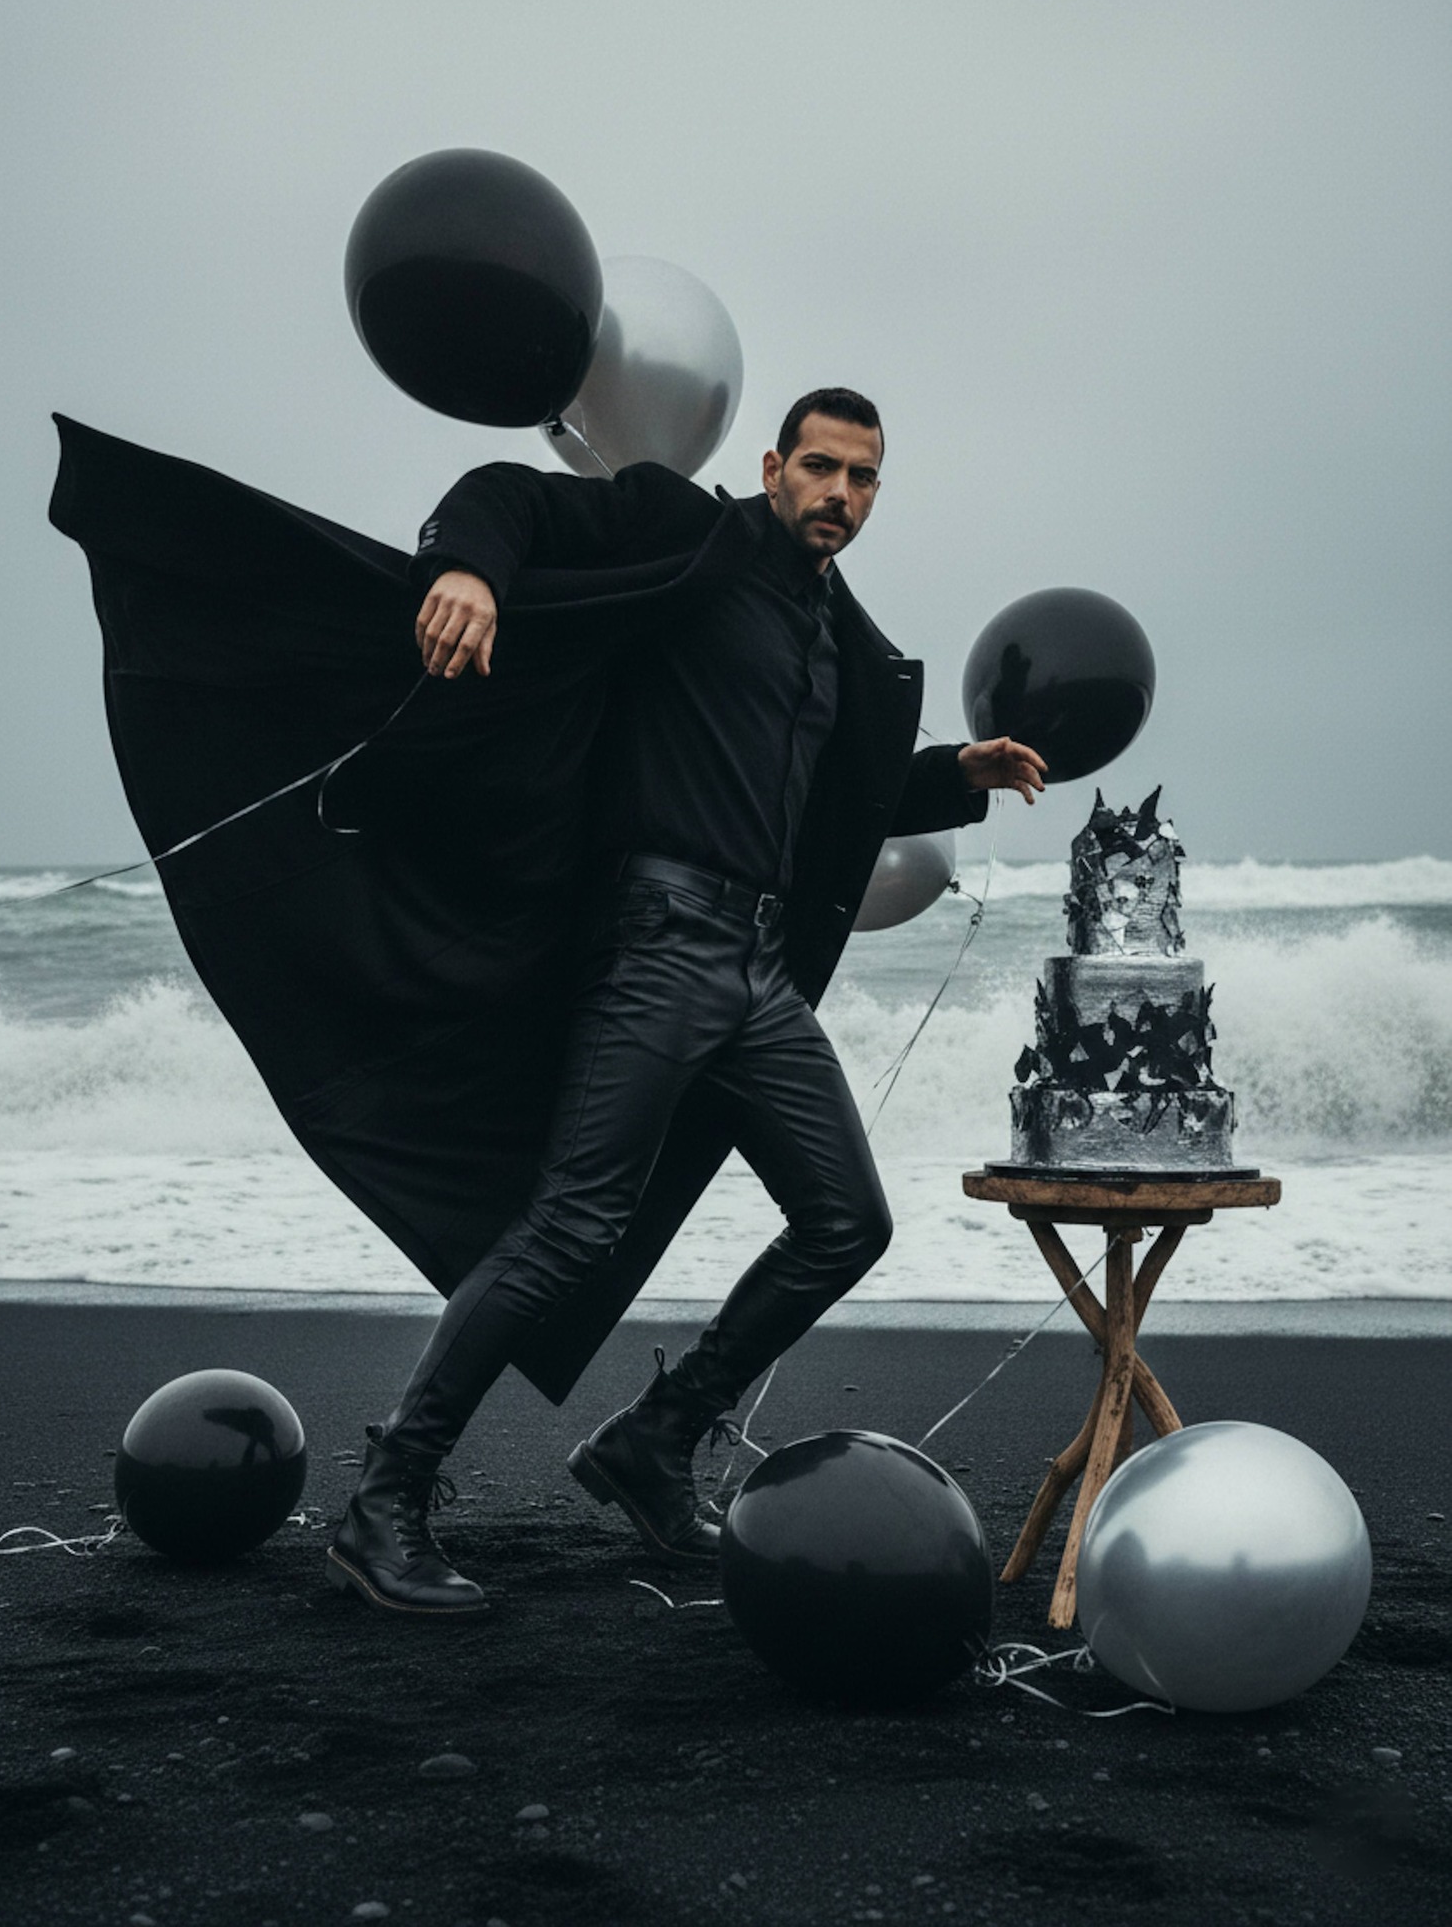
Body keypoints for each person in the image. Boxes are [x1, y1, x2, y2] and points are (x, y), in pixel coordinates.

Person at [325, 387, 1047, 1617]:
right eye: (819, 467)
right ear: (772, 467)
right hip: (658, 940)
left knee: (846, 1223)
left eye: (862, 477)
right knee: (571, 1225)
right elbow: (508, 496)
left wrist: (956, 775)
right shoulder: (689, 535)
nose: (839, 493)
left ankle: (653, 1438)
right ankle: (384, 1497)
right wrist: (469, 571)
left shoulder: (833, 633)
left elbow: (830, 803)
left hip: (757, 969)